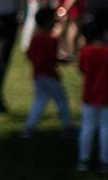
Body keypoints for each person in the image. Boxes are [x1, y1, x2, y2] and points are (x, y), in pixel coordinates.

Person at [76, 20, 108, 172]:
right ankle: (106, 161)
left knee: (87, 128)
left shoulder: (85, 52)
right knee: (106, 129)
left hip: (89, 95)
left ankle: (83, 160)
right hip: (107, 96)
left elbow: (82, 69)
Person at [20, 7, 72, 137]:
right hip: (50, 76)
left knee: (39, 101)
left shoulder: (35, 39)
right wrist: (65, 60)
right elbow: (53, 58)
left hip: (38, 75)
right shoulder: (51, 40)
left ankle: (29, 128)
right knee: (62, 101)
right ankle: (67, 127)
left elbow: (30, 54)